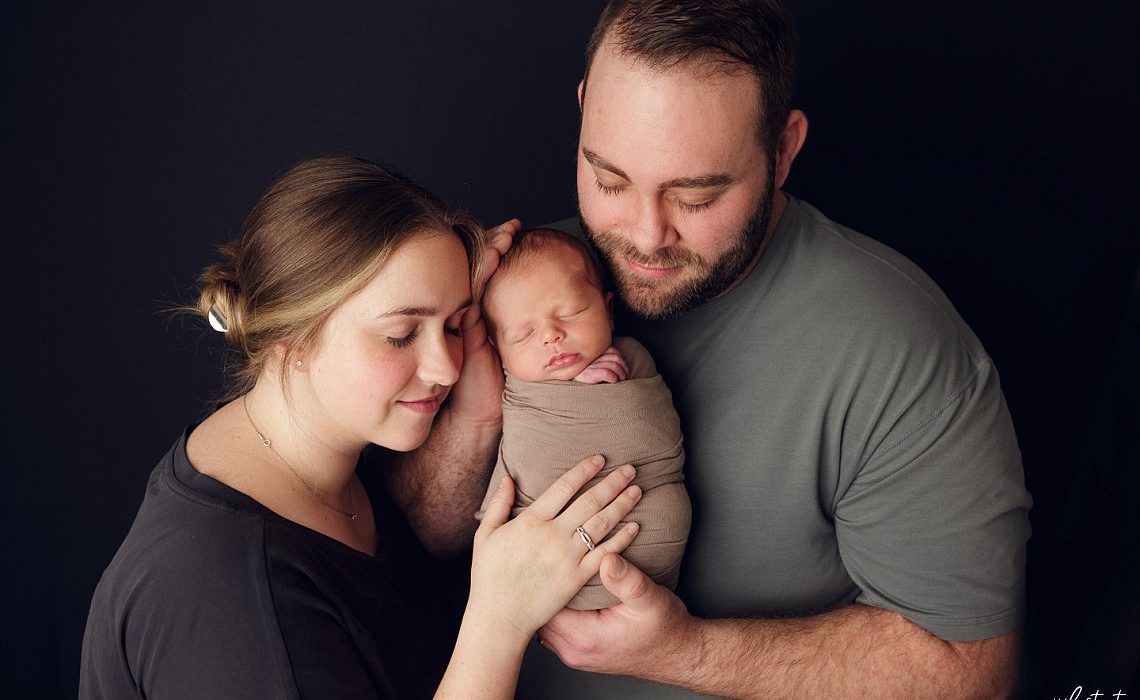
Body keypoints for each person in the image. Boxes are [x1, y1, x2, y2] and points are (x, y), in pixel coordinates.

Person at [460, 1, 1027, 696]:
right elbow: (412, 531)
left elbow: (972, 671)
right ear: (582, 110)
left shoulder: (899, 352)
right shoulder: (519, 286)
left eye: (695, 197)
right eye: (609, 179)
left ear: (783, 150)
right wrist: (474, 398)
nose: (643, 234)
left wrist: (685, 652)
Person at [78, 156, 645, 699]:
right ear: (294, 341)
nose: (445, 366)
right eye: (401, 334)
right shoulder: (231, 600)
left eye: (452, 324)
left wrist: (480, 412)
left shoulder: (322, 449)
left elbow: (403, 565)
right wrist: (500, 620)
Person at [476, 228, 691, 610]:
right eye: (523, 334)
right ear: (499, 352)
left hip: (650, 561)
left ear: (608, 310)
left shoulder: (630, 359)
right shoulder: (515, 388)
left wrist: (596, 384)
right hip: (541, 576)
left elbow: (651, 425)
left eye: (571, 313)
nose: (551, 336)